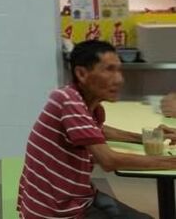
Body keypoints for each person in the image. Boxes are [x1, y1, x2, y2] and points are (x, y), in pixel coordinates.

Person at [17, 40, 176, 219]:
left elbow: (97, 131)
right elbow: (109, 160)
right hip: (56, 211)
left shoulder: (90, 107)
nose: (119, 79)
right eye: (109, 70)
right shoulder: (67, 100)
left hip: (79, 197)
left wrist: (146, 137)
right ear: (81, 74)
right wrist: (172, 162)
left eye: (119, 70)